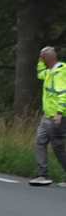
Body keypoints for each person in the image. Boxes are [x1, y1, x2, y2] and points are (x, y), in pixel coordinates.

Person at [29, 45, 66, 186]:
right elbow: (40, 74)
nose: (41, 60)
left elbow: (63, 94)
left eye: (42, 58)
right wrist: (40, 61)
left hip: (57, 117)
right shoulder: (50, 71)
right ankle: (42, 175)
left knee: (58, 147)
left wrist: (59, 113)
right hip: (47, 116)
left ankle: (43, 174)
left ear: (47, 58)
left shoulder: (60, 72)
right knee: (40, 141)